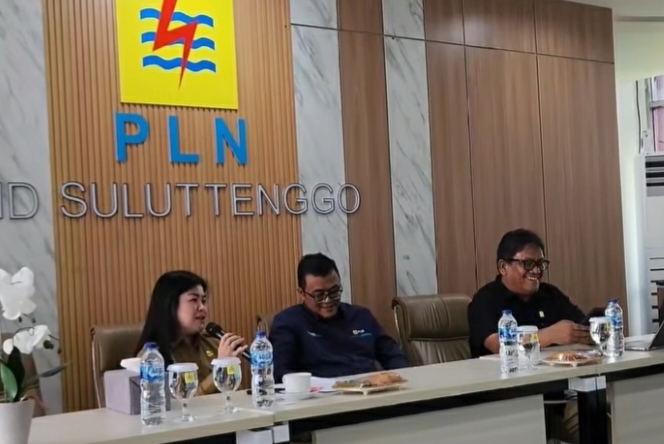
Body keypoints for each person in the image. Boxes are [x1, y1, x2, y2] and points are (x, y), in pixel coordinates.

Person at [467, 228, 589, 444]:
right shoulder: (485, 301)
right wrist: (549, 335)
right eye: (528, 263)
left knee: (606, 414)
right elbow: (500, 346)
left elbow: (581, 327)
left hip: (560, 391)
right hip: (510, 402)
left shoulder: (550, 295)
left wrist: (588, 331)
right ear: (503, 267)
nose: (536, 271)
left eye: (541, 264)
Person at [269, 253, 409, 382]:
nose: (328, 300)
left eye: (334, 291)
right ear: (301, 293)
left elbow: (393, 356)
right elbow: (280, 373)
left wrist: (400, 377)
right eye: (319, 295)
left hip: (370, 392)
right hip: (321, 396)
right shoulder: (288, 323)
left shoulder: (361, 316)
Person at [135, 270, 248, 395]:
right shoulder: (152, 358)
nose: (202, 307)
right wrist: (220, 368)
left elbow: (237, 394)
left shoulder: (214, 344)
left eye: (203, 301)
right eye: (194, 300)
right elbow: (177, 402)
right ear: (170, 305)